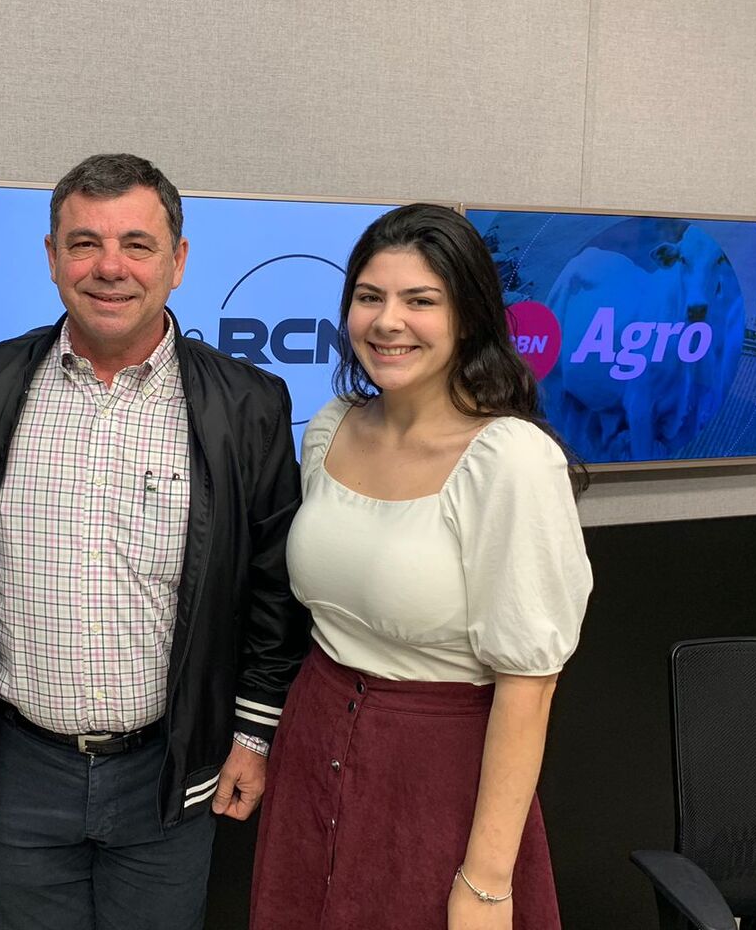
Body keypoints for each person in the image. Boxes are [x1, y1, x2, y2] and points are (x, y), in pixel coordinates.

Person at [0, 152, 308, 930]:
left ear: (177, 261)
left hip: (166, 774)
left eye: (137, 244)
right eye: (83, 243)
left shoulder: (249, 405)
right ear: (50, 258)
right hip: (21, 770)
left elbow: (276, 587)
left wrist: (254, 735)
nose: (110, 267)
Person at [249, 203, 593, 929]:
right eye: (370, 297)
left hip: (439, 771)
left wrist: (488, 882)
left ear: (467, 317)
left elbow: (529, 688)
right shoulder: (333, 425)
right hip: (313, 740)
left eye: (420, 300)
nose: (387, 321)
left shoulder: (512, 460)